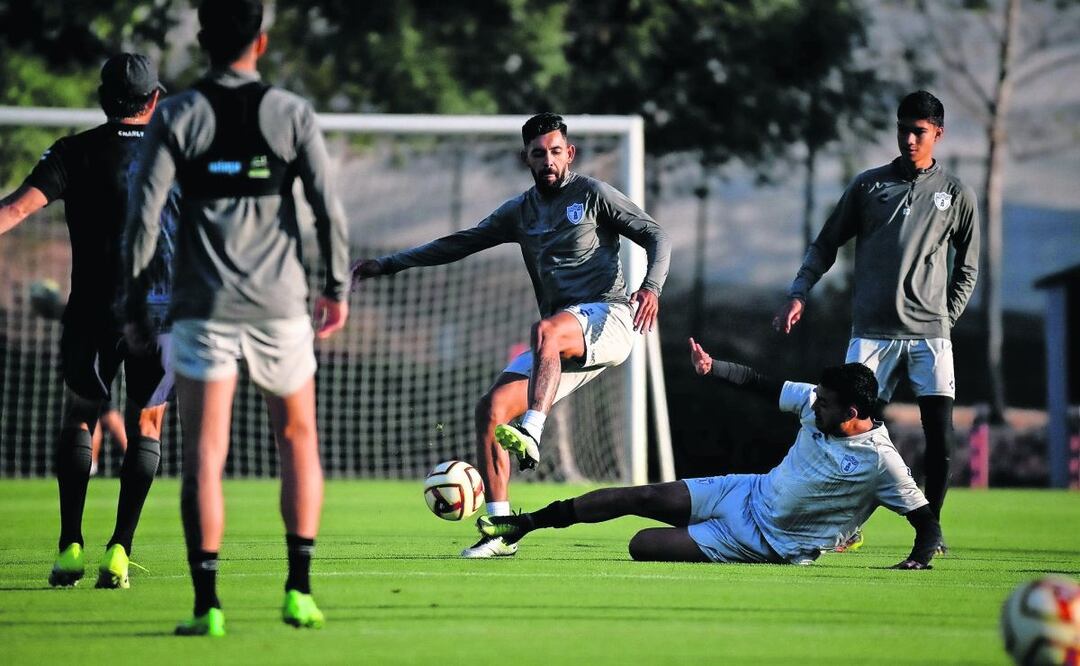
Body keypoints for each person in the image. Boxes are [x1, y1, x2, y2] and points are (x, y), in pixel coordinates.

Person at [123, 0, 349, 637]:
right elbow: (328, 210)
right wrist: (335, 287)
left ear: (203, 40)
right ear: (262, 42)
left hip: (203, 308)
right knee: (298, 439)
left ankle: (207, 606)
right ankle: (298, 591)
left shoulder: (177, 114)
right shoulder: (292, 113)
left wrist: (133, 302)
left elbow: (143, 219)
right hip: (281, 307)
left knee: (204, 453)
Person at [352, 112, 671, 559]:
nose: (548, 160)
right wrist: (387, 264)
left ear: (570, 153)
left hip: (611, 317)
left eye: (555, 152)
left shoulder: (593, 194)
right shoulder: (519, 212)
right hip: (560, 340)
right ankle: (501, 531)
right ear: (526, 158)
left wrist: (651, 287)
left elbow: (657, 235)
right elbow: (458, 242)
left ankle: (532, 431)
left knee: (545, 331)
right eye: (539, 154)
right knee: (491, 409)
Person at [479, 338, 942, 570]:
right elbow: (759, 384)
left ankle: (837, 534)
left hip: (762, 542)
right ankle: (525, 523)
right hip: (745, 491)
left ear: (853, 413)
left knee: (641, 545)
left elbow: (925, 521)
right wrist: (713, 366)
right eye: (817, 397)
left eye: (824, 403)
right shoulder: (814, 402)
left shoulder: (880, 460)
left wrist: (919, 557)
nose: (814, 404)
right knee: (638, 496)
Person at [772, 91, 979, 554]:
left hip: (929, 337)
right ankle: (844, 526)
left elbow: (968, 267)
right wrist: (799, 291)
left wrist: (945, 318)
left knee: (940, 439)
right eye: (903, 129)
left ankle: (931, 531)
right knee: (849, 435)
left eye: (919, 131)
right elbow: (826, 244)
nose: (909, 139)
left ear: (938, 133)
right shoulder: (868, 186)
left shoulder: (956, 194)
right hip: (871, 336)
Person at [0, 53, 177, 590]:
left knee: (81, 416)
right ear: (155, 99)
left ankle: (69, 547)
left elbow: (14, 210)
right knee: (147, 423)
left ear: (102, 99)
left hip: (93, 310)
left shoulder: (72, 152)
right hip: (160, 312)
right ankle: (119, 551)